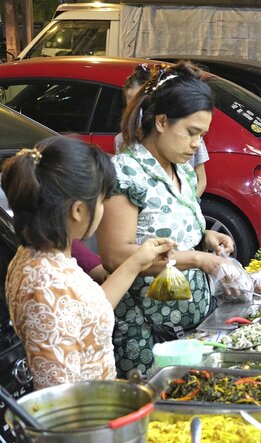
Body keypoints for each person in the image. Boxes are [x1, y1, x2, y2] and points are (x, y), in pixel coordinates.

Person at [2, 137, 175, 389]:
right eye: (102, 200)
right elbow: (61, 394)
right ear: (79, 211)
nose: (103, 210)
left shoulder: (41, 257)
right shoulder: (47, 286)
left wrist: (137, 261)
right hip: (91, 419)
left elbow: (88, 310)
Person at [97, 62, 235, 377]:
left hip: (194, 324)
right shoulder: (126, 171)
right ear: (161, 121)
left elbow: (176, 228)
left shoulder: (182, 168)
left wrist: (206, 239)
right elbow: (115, 254)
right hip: (147, 333)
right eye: (191, 132)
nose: (197, 143)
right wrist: (197, 258)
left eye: (202, 135)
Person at [115, 63, 209, 197]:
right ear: (161, 121)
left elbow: (201, 180)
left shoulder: (185, 170)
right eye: (130, 101)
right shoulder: (124, 165)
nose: (196, 143)